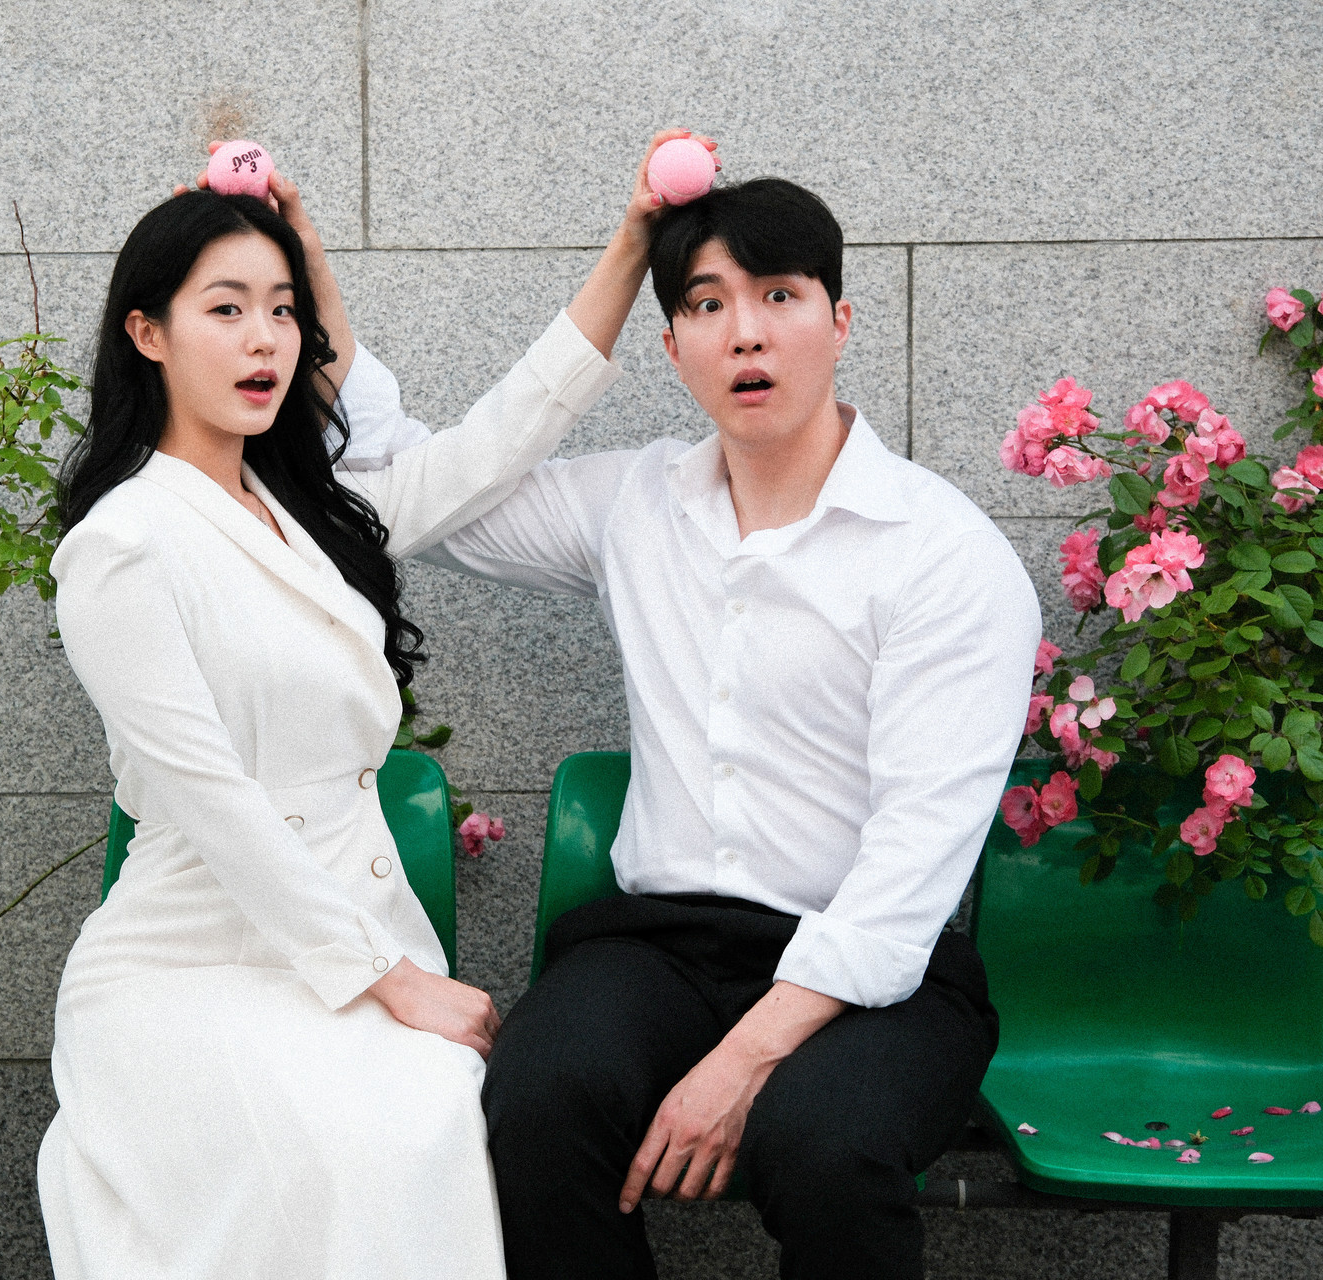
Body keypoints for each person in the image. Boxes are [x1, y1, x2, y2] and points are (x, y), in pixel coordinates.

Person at [332, 177, 1043, 1279]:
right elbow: (413, 488)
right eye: (708, 305)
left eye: (779, 295)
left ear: (841, 320)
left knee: (827, 1147)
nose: (745, 332)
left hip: (872, 969)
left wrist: (743, 1061)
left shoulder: (944, 556)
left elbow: (914, 862)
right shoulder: (638, 503)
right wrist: (305, 277)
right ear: (672, 348)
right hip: (657, 947)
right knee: (536, 1102)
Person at [35, 134, 704, 1279]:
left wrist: (633, 245)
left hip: (350, 939)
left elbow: (497, 443)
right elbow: (210, 800)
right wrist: (393, 980)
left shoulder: (314, 514)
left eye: (282, 310)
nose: (264, 339)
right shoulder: (122, 544)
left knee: (429, 1122)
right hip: (191, 966)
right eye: (226, 309)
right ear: (147, 333)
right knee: (366, 1145)